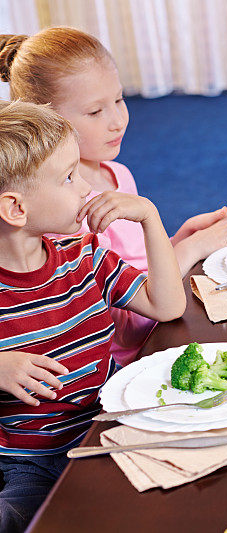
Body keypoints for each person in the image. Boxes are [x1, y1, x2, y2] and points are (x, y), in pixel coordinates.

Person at [0, 28, 227, 365]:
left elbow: (131, 266)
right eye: (95, 112)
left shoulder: (117, 173)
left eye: (120, 99)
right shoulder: (59, 213)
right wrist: (192, 248)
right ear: (46, 119)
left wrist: (179, 237)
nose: (118, 120)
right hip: (133, 358)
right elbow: (131, 326)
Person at [0, 99, 185, 532]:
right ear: (15, 209)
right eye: (68, 177)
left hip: (113, 430)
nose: (86, 187)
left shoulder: (83, 257)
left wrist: (150, 217)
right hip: (37, 464)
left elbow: (167, 305)